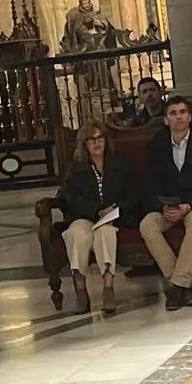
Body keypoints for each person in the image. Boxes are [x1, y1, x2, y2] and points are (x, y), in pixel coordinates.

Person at [137, 96, 192, 311]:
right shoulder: (156, 144)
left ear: (190, 117)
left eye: (183, 112)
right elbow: (149, 183)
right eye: (173, 113)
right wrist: (164, 207)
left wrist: (188, 206)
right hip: (168, 206)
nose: (179, 117)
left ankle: (177, 286)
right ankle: (180, 284)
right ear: (166, 120)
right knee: (148, 224)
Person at [58, 121, 135, 315]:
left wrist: (115, 208)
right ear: (84, 144)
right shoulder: (76, 169)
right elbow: (71, 198)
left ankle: (108, 288)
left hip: (112, 218)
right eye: (91, 140)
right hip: (85, 216)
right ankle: (81, 290)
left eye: (100, 138)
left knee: (105, 233)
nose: (97, 143)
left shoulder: (120, 164)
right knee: (76, 233)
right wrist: (95, 211)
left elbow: (133, 196)